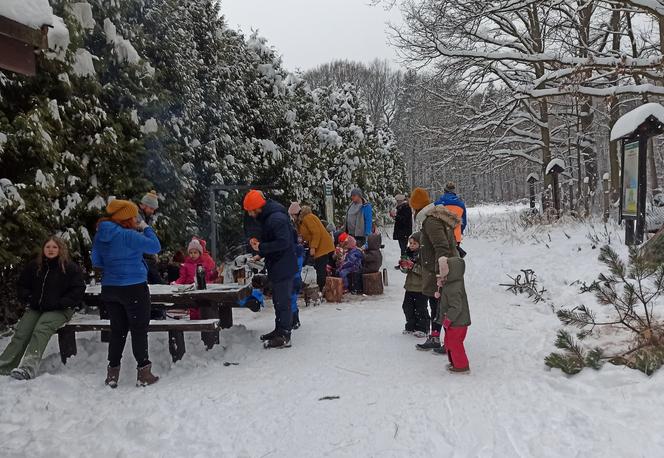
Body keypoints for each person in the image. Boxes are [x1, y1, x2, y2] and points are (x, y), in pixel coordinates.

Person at [91, 199, 161, 387]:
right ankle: (144, 373)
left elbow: (96, 260)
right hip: (134, 287)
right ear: (125, 217)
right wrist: (146, 227)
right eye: (132, 216)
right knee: (138, 329)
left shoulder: (100, 235)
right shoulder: (128, 236)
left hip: (110, 288)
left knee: (117, 330)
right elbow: (155, 247)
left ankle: (112, 374)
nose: (135, 219)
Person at [0, 237, 85, 380]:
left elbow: (78, 290)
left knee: (41, 329)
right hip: (37, 307)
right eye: (48, 247)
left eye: (54, 247)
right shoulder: (34, 266)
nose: (51, 250)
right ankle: (4, 366)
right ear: (43, 249)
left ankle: (27, 368)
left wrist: (61, 303)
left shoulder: (70, 268)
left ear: (60, 249)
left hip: (60, 309)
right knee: (22, 332)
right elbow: (22, 286)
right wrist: (29, 298)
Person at [244, 190, 298, 349]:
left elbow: (283, 242)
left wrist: (261, 247)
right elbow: (275, 240)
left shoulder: (276, 218)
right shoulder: (270, 216)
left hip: (283, 265)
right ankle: (279, 329)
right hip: (278, 264)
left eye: (250, 211)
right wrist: (261, 253)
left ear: (257, 208)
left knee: (283, 301)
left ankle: (285, 335)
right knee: (278, 300)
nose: (250, 215)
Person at [412, 187, 460, 352]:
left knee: (440, 306)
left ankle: (447, 341)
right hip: (435, 268)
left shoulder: (431, 221)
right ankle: (436, 337)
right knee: (438, 305)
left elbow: (441, 247)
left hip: (438, 270)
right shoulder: (432, 217)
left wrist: (441, 273)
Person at [288, 202, 335, 293]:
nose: (292, 218)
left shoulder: (308, 218)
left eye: (292, 215)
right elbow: (308, 234)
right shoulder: (301, 221)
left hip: (323, 246)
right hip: (319, 246)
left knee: (320, 269)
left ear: (295, 213)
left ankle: (321, 290)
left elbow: (316, 232)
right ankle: (323, 288)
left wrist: (313, 247)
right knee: (320, 267)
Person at [435, 256, 471, 372]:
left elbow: (456, 307)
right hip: (454, 322)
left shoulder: (454, 288)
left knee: (455, 343)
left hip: (458, 322)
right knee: (449, 342)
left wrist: (448, 319)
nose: (440, 272)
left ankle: (461, 366)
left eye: (443, 270)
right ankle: (454, 362)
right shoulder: (451, 283)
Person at [174, 238, 218, 319]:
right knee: (193, 307)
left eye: (195, 252)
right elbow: (182, 277)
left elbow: (209, 277)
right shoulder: (186, 265)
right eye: (190, 253)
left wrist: (216, 273)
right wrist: (176, 283)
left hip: (203, 289)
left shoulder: (204, 265)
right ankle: (194, 322)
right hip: (191, 290)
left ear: (200, 253)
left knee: (205, 306)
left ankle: (204, 320)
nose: (192, 255)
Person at [399, 232, 429, 338]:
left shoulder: (424, 256)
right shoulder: (408, 254)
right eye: (410, 243)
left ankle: (423, 328)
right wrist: (404, 266)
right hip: (410, 286)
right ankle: (411, 326)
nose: (411, 245)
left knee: (421, 309)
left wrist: (413, 266)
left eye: (414, 243)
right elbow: (406, 271)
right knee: (407, 307)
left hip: (421, 288)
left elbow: (426, 271)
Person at [138, 190, 164, 284]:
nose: (152, 212)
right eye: (151, 208)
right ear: (143, 205)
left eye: (154, 209)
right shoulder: (136, 217)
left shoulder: (147, 217)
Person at [435, 182, 467, 253]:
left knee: (442, 259)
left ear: (444, 191)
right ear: (454, 191)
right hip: (456, 236)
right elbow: (464, 222)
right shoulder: (461, 204)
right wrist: (459, 231)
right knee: (455, 259)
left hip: (441, 235)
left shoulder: (437, 203)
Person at [393, 194, 412, 264]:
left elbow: (404, 220)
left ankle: (405, 263)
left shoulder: (406, 207)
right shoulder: (402, 207)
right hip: (402, 231)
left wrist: (396, 216)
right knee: (403, 248)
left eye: (397, 201)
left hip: (404, 231)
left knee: (403, 248)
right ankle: (404, 262)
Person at [291, 241, 305, 329]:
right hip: (297, 279)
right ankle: (295, 320)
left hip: (292, 279)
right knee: (293, 300)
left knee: (291, 300)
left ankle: (294, 320)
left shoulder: (291, 252)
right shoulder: (299, 251)